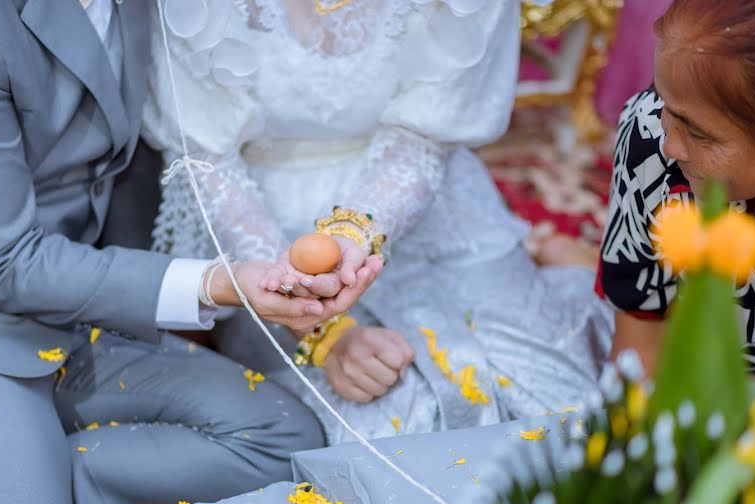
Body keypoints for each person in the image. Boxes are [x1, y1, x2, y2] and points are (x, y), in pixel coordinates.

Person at [0, 0, 380, 504]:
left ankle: (31, 491)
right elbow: (0, 263)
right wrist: (217, 282)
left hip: (68, 314)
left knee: (281, 439)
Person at [143, 0, 614, 444]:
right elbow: (206, 160)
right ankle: (549, 256)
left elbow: (424, 135)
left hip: (426, 199)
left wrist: (356, 233)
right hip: (261, 221)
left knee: (562, 413)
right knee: (384, 434)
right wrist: (318, 329)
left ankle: (562, 271)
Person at [598, 0, 755, 374]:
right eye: (664, 101)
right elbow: (639, 353)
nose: (670, 144)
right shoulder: (651, 137)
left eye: (699, 133)